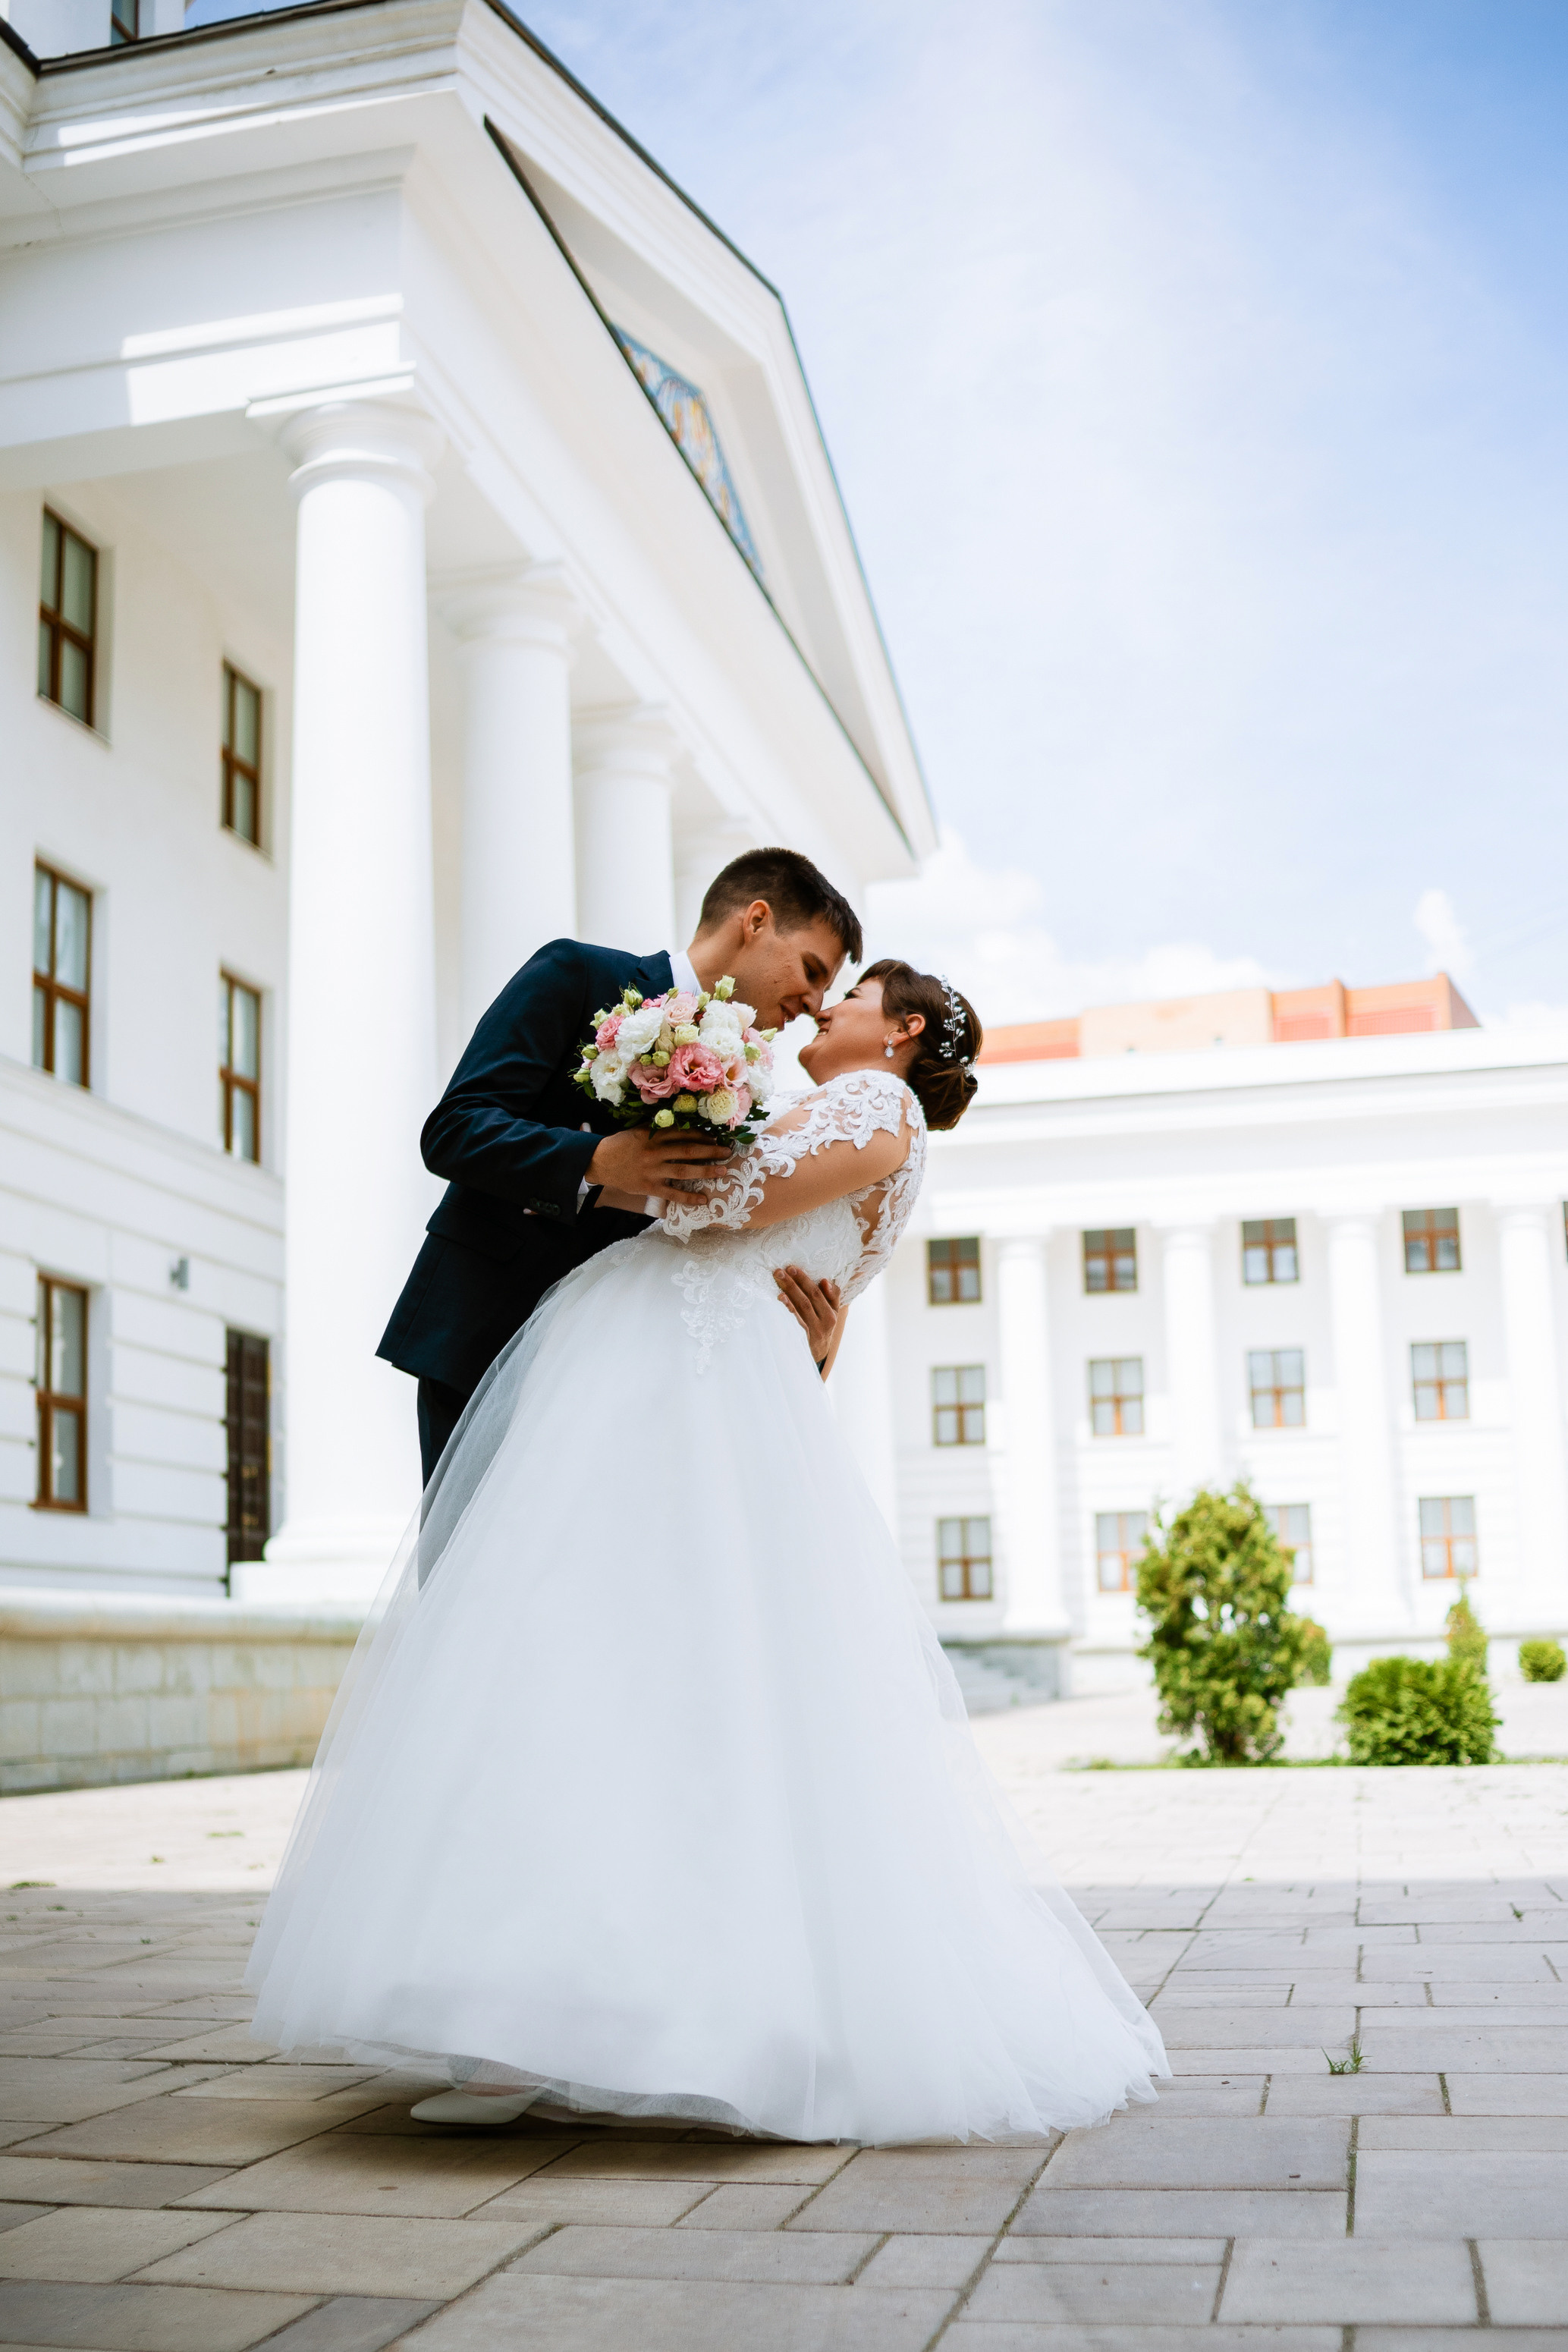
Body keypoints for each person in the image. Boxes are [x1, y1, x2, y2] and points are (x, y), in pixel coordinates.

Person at [247, 962, 1168, 2144]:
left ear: (894, 1033)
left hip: (680, 1398)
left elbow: (730, 1210)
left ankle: (655, 2014)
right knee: (588, 1679)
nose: (821, 1010)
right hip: (648, 1381)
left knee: (647, 1679)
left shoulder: (878, 1110)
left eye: (847, 997)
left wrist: (650, 1152)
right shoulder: (836, 1108)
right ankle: (539, 2001)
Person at [378, 847, 863, 1485]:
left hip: (632, 1382)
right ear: (756, 919)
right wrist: (600, 1160)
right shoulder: (576, 975)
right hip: (490, 1335)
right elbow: (455, 1130)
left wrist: (807, 1347)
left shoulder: (753, 1088)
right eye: (810, 968)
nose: (812, 1003)